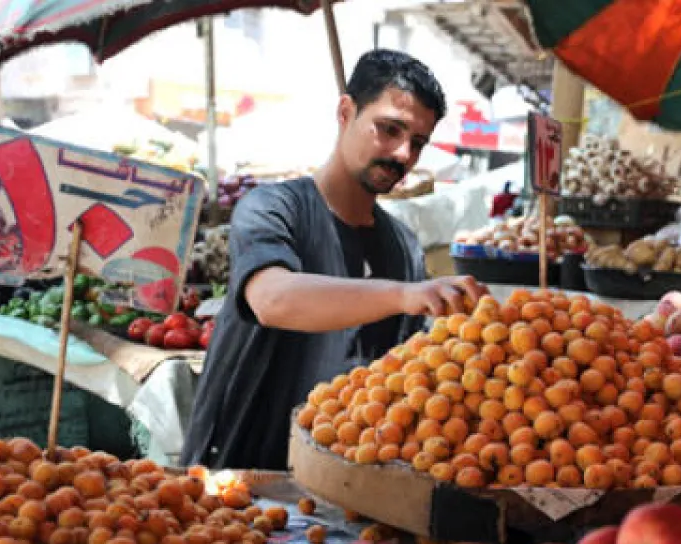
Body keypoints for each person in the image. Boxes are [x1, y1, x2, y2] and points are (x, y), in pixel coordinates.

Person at [182, 50, 487, 471]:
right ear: (346, 112)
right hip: (239, 475)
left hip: (342, 485)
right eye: (389, 129)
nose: (403, 153)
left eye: (417, 142)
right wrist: (402, 295)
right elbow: (272, 299)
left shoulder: (402, 247)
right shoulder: (272, 208)